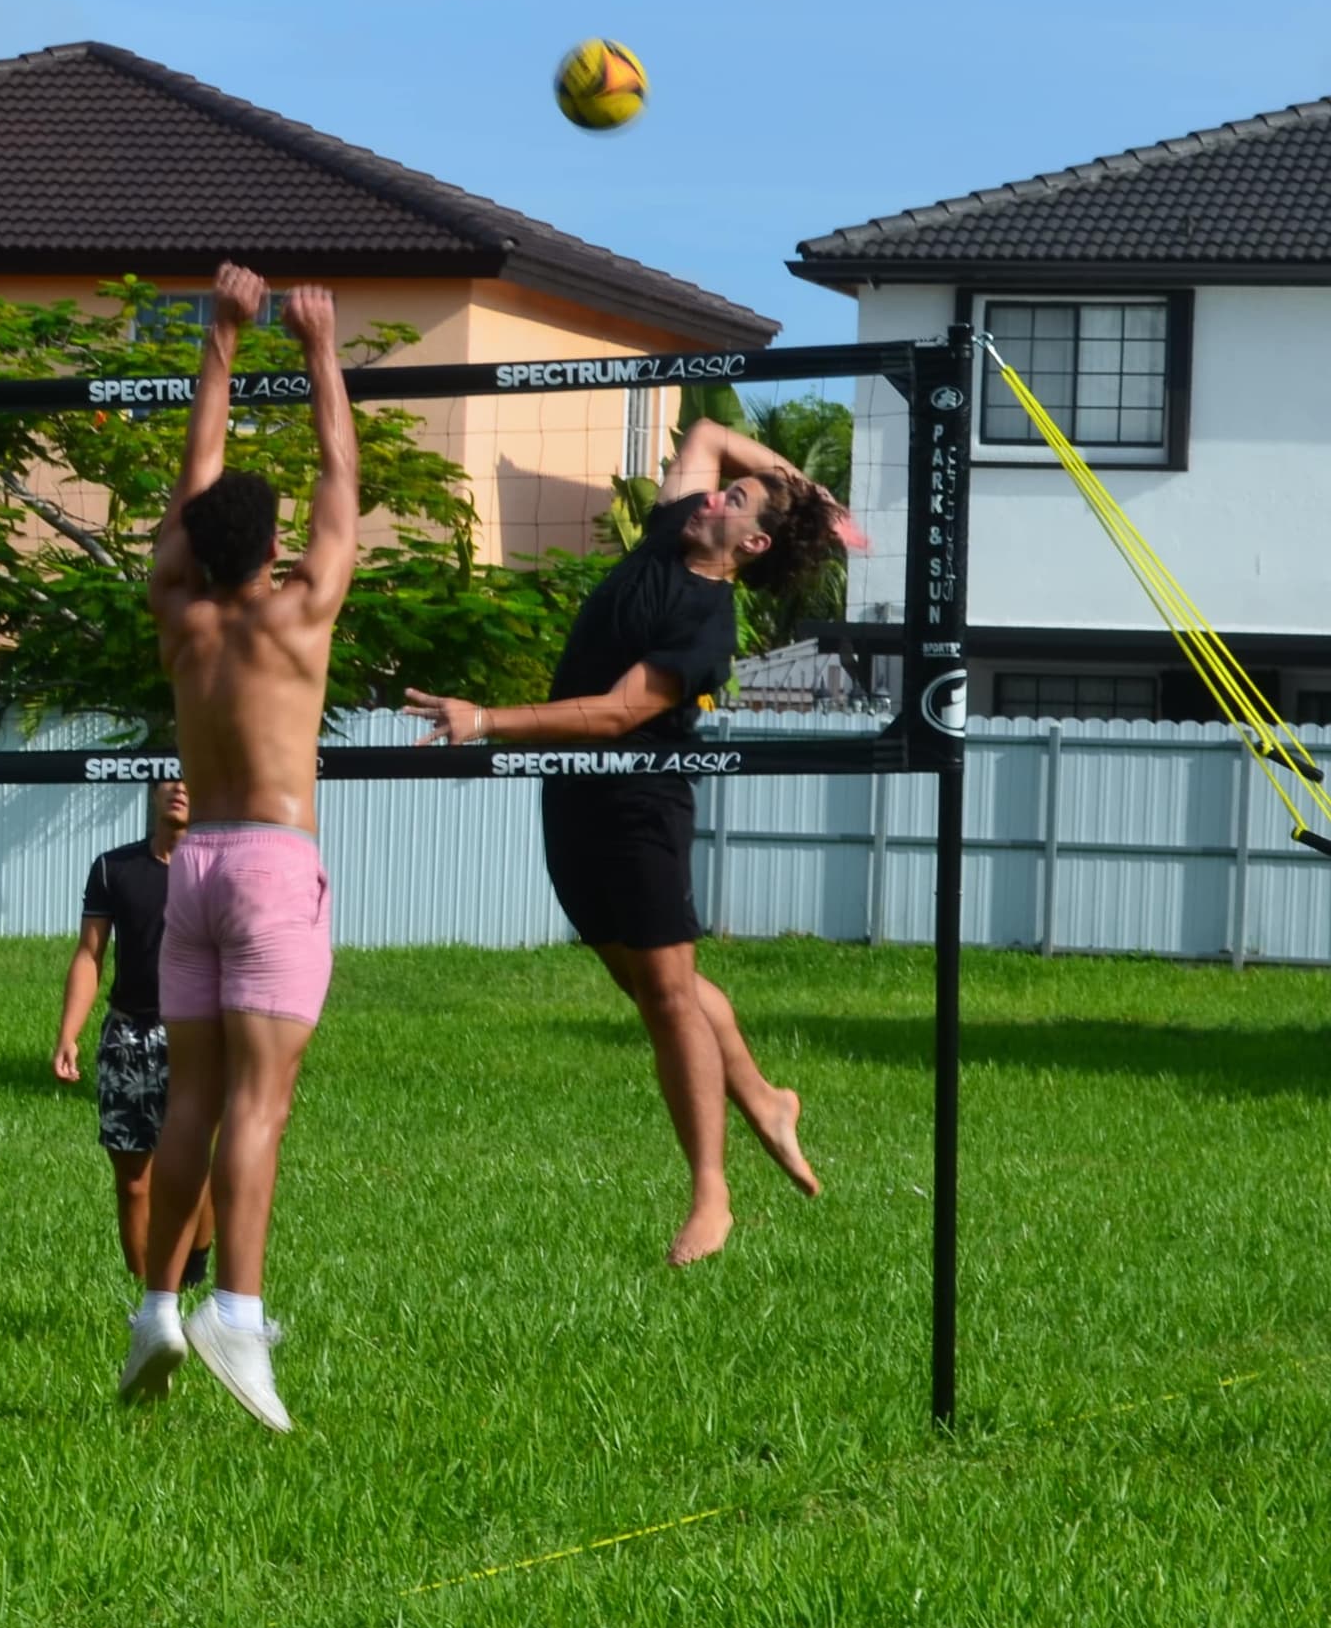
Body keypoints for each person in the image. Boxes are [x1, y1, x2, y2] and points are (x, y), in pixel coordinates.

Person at [405, 416, 853, 1263]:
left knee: (670, 994)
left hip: (639, 804)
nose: (715, 491)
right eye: (725, 487)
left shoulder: (708, 625)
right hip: (573, 797)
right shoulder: (663, 538)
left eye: (738, 500)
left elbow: (616, 713)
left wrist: (485, 719)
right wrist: (803, 488)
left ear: (750, 542)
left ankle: (711, 1196)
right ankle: (763, 1096)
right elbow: (714, 431)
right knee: (654, 986)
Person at [122, 264, 360, 1434]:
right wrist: (319, 349)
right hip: (269, 865)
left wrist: (221, 339)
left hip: (194, 866)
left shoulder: (180, 606)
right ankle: (237, 1309)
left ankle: (157, 1304)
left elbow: (191, 487)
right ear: (270, 546)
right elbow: (339, 474)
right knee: (260, 1106)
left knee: (193, 1101)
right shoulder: (299, 606)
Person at [53, 779, 215, 1293]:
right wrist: (68, 1034)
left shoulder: (220, 871)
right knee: (133, 1181)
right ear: (151, 792)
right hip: (127, 1036)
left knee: (192, 1171)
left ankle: (194, 1270)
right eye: (169, 780)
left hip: (197, 1036)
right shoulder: (113, 868)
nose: (180, 790)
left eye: (191, 780)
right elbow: (89, 954)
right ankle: (146, 1302)